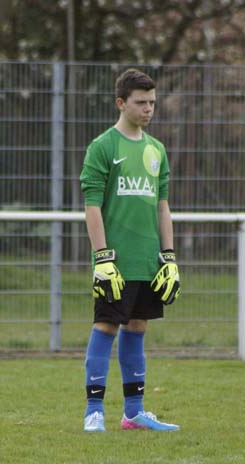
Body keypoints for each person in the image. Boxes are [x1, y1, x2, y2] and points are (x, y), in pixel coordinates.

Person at [79, 68, 181, 433]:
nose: (149, 109)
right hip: (116, 262)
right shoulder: (103, 147)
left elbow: (162, 206)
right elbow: (92, 207)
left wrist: (168, 256)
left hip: (147, 259)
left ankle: (133, 413)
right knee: (105, 326)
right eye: (141, 103)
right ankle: (94, 411)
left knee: (137, 327)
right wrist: (102, 257)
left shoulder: (156, 150)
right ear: (121, 103)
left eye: (152, 102)